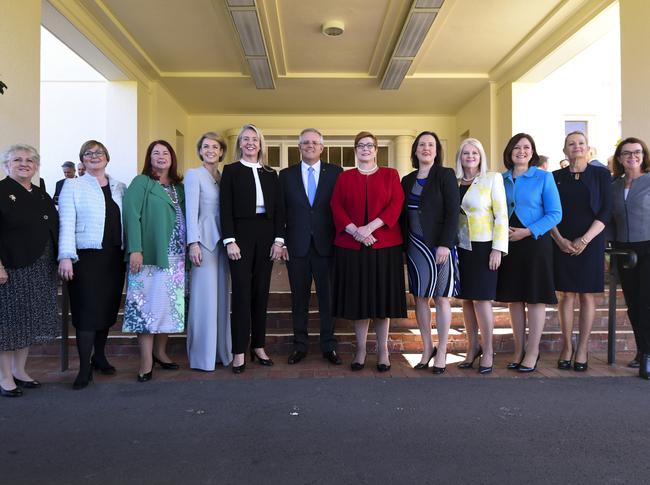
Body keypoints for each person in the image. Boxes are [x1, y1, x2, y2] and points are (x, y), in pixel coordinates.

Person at [331, 131, 406, 372]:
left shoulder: (390, 175)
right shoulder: (345, 177)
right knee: (358, 301)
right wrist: (356, 231)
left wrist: (370, 227)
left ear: (376, 150)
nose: (365, 149)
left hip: (384, 245)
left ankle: (383, 350)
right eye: (361, 146)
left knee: (381, 301)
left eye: (370, 145)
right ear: (356, 150)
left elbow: (396, 204)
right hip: (352, 248)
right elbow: (336, 206)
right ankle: (361, 349)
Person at [57, 140, 127, 389]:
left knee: (107, 311)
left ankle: (99, 356)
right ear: (82, 160)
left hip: (114, 257)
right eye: (89, 153)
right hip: (85, 258)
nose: (94, 156)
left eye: (99, 153)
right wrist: (65, 255)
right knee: (86, 313)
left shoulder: (120, 186)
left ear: (107, 157)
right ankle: (84, 368)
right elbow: (66, 222)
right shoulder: (73, 185)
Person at [220, 124, 284, 374]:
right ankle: (239, 351)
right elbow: (224, 208)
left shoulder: (271, 173)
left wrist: (279, 240)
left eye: (254, 139)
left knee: (261, 293)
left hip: (266, 235)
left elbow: (279, 210)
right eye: (245, 139)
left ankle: (258, 346)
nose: (250, 143)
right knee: (242, 294)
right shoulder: (231, 171)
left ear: (261, 144)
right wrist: (229, 240)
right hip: (240, 236)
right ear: (240, 144)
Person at [496, 133, 562, 372]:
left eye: (526, 147)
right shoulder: (499, 179)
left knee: (534, 298)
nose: (521, 151)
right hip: (508, 244)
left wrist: (527, 232)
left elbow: (555, 214)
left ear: (532, 152)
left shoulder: (544, 177)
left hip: (534, 243)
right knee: (514, 298)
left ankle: (533, 351)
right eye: (516, 147)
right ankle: (518, 348)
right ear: (509, 151)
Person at [122, 140, 186, 382]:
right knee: (146, 308)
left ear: (172, 158)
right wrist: (135, 249)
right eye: (155, 153)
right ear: (149, 158)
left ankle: (161, 353)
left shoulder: (179, 187)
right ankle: (146, 361)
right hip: (149, 256)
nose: (161, 156)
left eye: (165, 153)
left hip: (176, 258)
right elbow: (131, 215)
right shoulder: (142, 183)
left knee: (167, 308)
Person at [279, 128, 343, 365]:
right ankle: (300, 346)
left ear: (322, 147)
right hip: (297, 247)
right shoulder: (285, 176)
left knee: (328, 299)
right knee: (299, 299)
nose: (310, 146)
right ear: (299, 147)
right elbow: (280, 212)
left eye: (315, 142)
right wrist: (281, 241)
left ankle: (329, 346)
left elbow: (341, 209)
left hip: (328, 246)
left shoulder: (336, 173)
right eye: (305, 142)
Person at [0, 144, 59, 397]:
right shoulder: (1, 191)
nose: (24, 164)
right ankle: (4, 378)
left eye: (30, 160)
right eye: (17, 160)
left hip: (39, 266)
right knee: (9, 324)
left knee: (27, 322)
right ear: (6, 165)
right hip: (11, 267)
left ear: (36, 166)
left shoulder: (41, 194)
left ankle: (20, 371)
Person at [551, 131, 611, 372]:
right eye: (571, 144)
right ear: (564, 150)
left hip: (591, 240)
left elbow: (606, 211)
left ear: (589, 148)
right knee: (565, 294)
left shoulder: (601, 175)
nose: (576, 147)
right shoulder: (555, 177)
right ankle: (567, 346)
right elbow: (548, 210)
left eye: (581, 143)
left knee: (587, 295)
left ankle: (583, 348)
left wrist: (584, 240)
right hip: (561, 241)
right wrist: (560, 240)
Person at [401, 131, 458, 373]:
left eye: (431, 145)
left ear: (437, 151)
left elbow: (453, 211)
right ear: (415, 150)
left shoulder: (445, 175)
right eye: (421, 144)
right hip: (415, 247)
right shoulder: (407, 179)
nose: (426, 148)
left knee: (441, 297)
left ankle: (442, 349)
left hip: (439, 246)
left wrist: (445, 243)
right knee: (421, 298)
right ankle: (427, 348)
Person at [455, 138, 508, 374]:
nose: (470, 156)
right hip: (461, 247)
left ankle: (488, 351)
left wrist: (498, 248)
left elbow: (502, 215)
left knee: (482, 300)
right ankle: (472, 347)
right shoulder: (454, 182)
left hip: (484, 246)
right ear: (460, 157)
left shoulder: (492, 178)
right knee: (466, 299)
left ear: (481, 155)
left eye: (474, 152)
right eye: (465, 153)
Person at [185, 132, 232, 371]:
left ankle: (220, 352)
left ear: (222, 151)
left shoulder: (223, 177)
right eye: (206, 146)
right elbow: (190, 212)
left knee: (221, 299)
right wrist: (193, 243)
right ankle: (202, 357)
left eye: (215, 147)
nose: (211, 150)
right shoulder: (194, 175)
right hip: (203, 244)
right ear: (200, 151)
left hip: (224, 244)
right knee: (204, 301)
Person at [609, 137, 650, 378]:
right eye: (626, 153)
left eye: (637, 152)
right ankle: (641, 349)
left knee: (646, 301)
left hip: (648, 247)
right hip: (624, 249)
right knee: (633, 304)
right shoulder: (614, 185)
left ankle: (647, 353)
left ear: (644, 156)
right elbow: (611, 219)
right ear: (619, 158)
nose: (632, 157)